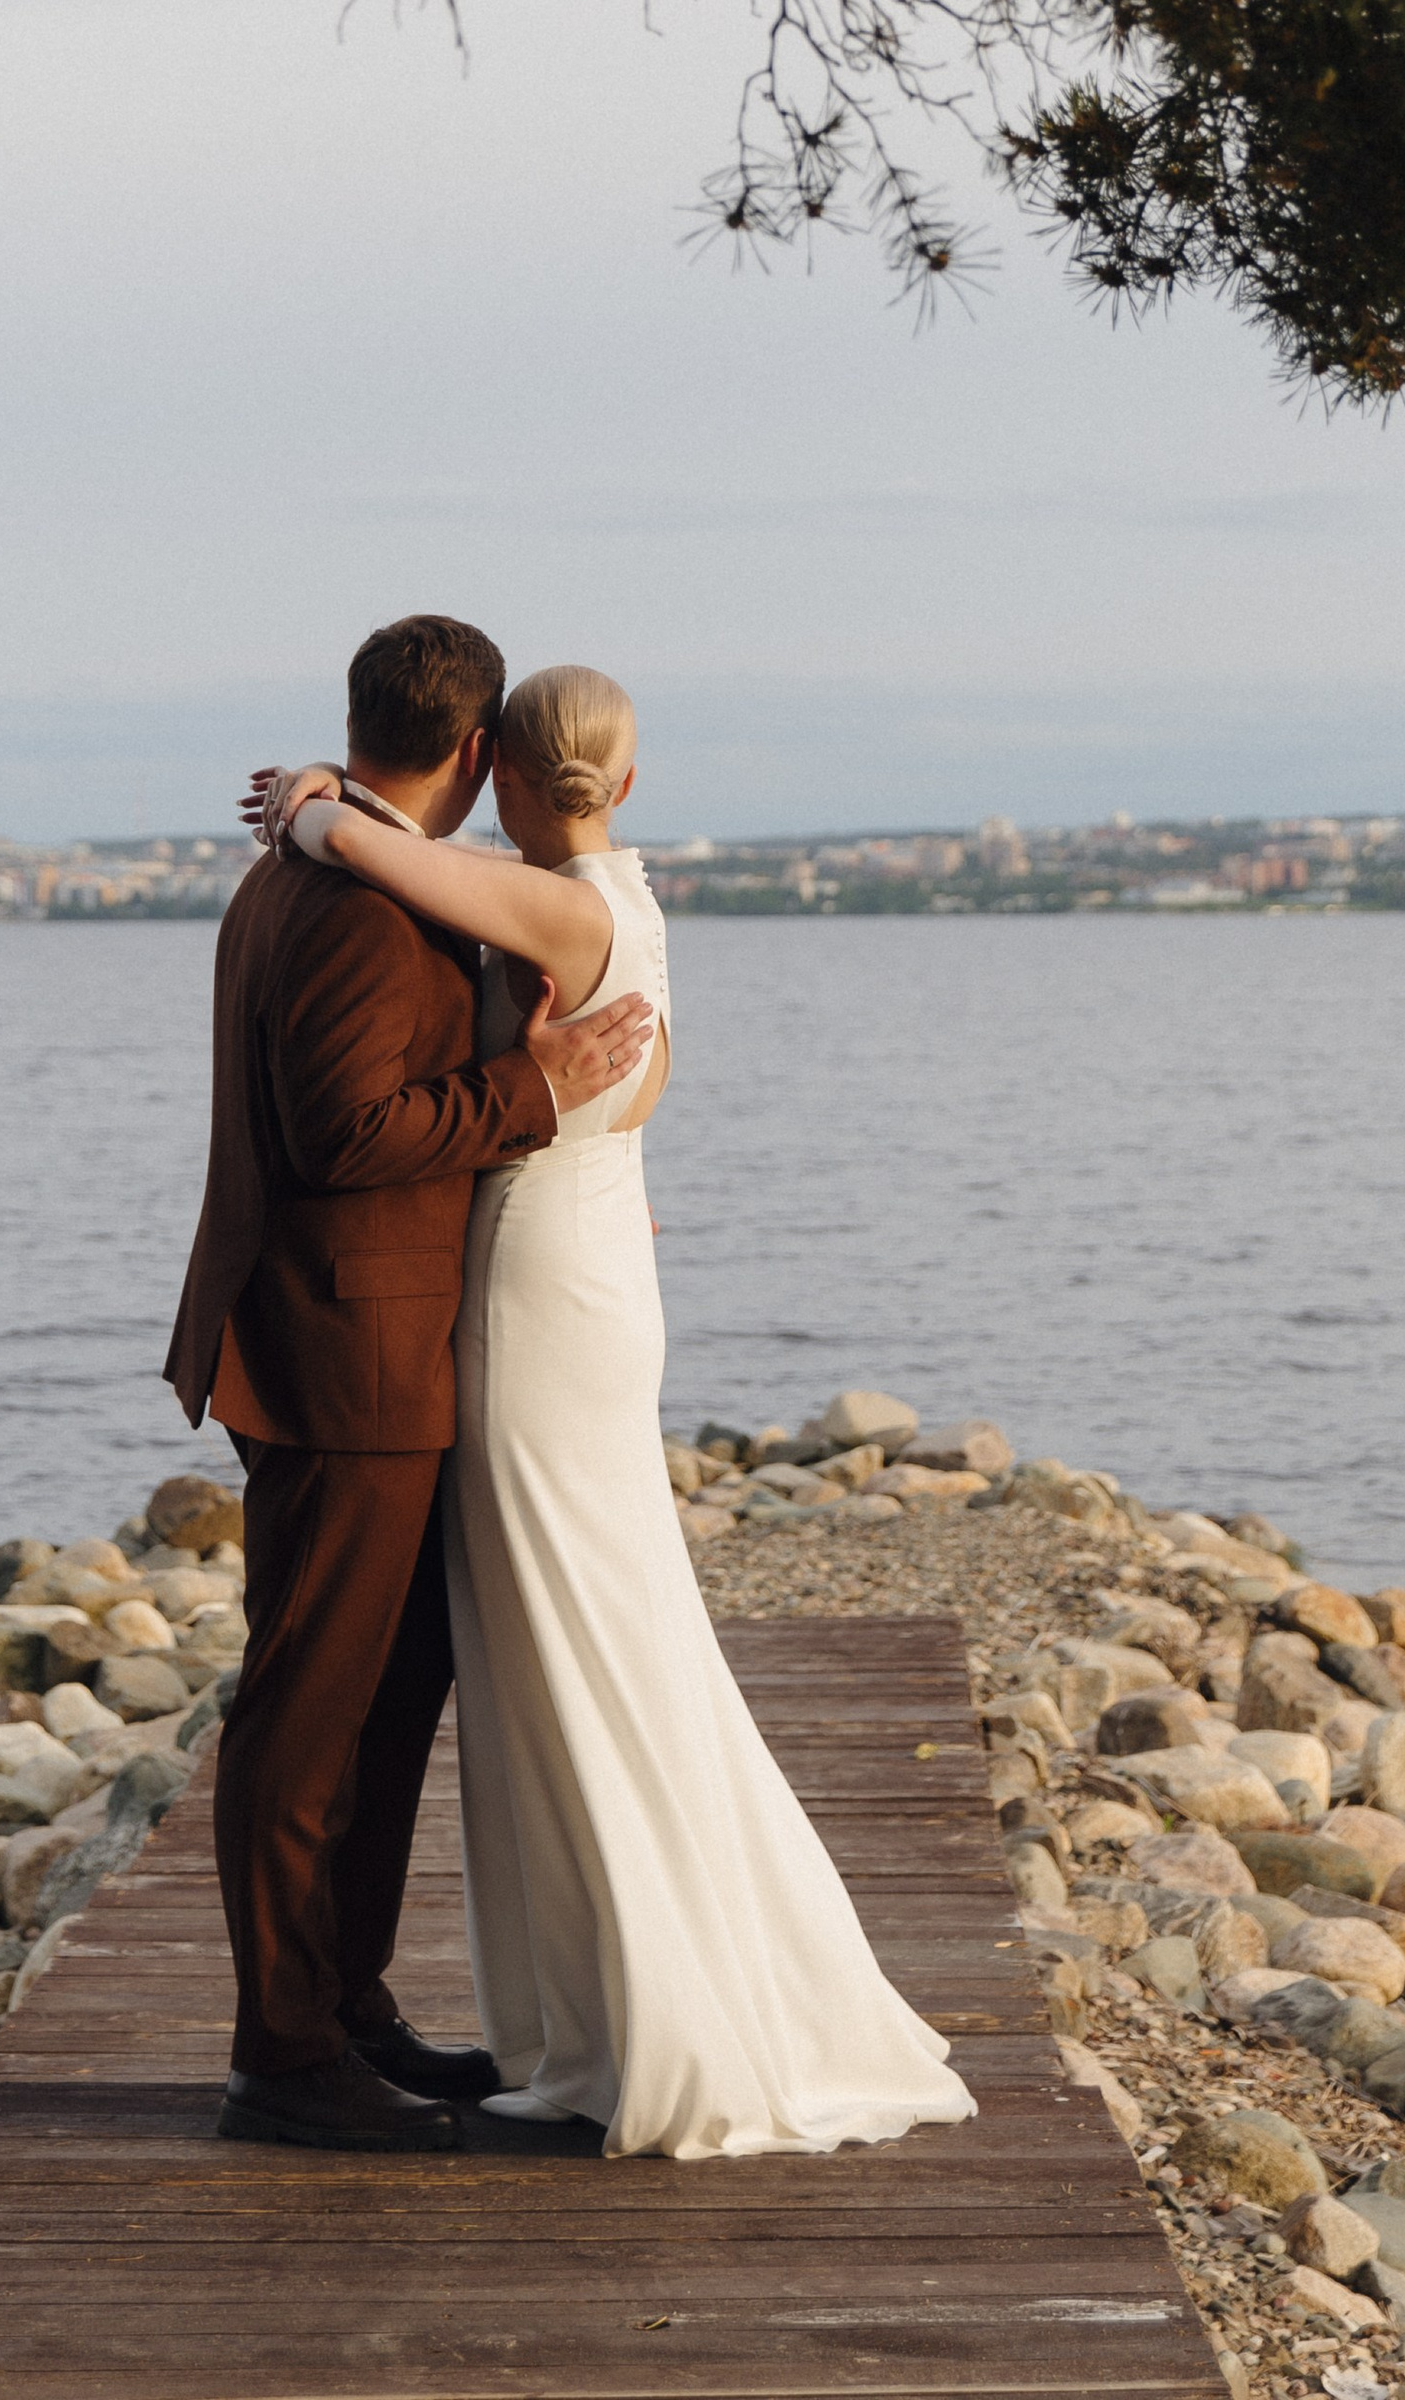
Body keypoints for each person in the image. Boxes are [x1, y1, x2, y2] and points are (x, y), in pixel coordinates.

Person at [252, 662, 978, 2163]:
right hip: (583, 1272)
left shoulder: (561, 907)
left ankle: (636, 2005)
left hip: (536, 1301)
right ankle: (569, 1995)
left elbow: (376, 853)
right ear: (625, 783)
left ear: (501, 775)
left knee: (577, 1631)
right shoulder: (622, 903)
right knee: (573, 1623)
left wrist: (319, 803)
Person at [164, 613, 658, 2155]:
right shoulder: (357, 909)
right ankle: (284, 2052)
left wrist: (330, 799)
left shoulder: (336, 862)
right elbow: (346, 1135)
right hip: (341, 1355)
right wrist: (535, 1087)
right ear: (471, 752)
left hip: (379, 1350)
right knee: (314, 1710)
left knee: (388, 1695)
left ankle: (348, 2006)